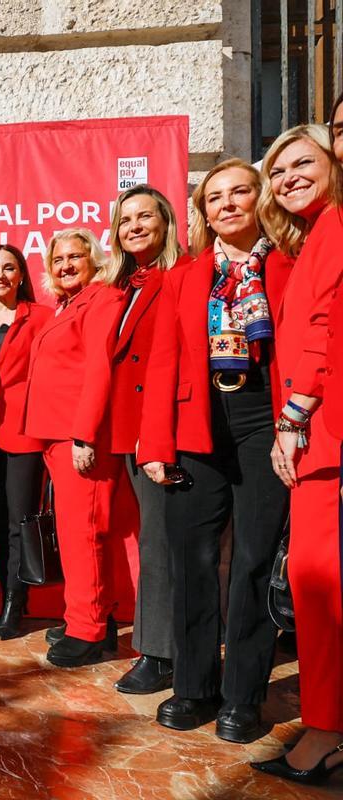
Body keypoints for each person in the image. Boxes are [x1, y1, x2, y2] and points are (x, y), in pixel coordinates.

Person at [138, 159, 293, 742]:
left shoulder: (286, 265)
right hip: (196, 424)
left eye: (239, 193)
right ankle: (193, 687)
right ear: (202, 213)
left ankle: (242, 697)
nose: (226, 204)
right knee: (191, 561)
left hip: (263, 421)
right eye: (214, 198)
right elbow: (161, 364)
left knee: (253, 561)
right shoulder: (183, 276)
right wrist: (156, 443)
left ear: (261, 199)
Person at [249, 124, 343, 784]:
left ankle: (325, 735)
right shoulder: (318, 233)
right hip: (320, 437)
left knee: (317, 589)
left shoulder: (335, 227)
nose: (286, 179)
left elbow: (320, 333)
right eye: (276, 172)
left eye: (301, 162)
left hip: (325, 437)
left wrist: (291, 421)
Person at [22, 229, 125, 668]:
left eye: (74, 257)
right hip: (56, 436)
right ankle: (81, 615)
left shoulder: (103, 298)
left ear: (93, 259)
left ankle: (89, 631)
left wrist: (84, 434)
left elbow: (100, 367)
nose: (65, 265)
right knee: (73, 533)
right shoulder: (67, 304)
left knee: (85, 533)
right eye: (57, 258)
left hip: (80, 438)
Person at [103, 185, 190, 695]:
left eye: (144, 217)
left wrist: (155, 438)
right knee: (155, 540)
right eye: (124, 219)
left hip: (160, 433)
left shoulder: (178, 276)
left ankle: (159, 653)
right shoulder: (127, 282)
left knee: (161, 545)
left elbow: (170, 364)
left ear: (166, 222)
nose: (133, 226)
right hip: (130, 432)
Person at [0, 244, 48, 640]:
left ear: (21, 275)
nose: (0, 275)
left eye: (8, 268)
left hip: (23, 431)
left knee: (21, 521)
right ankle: (8, 592)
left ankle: (14, 603)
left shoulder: (41, 317)